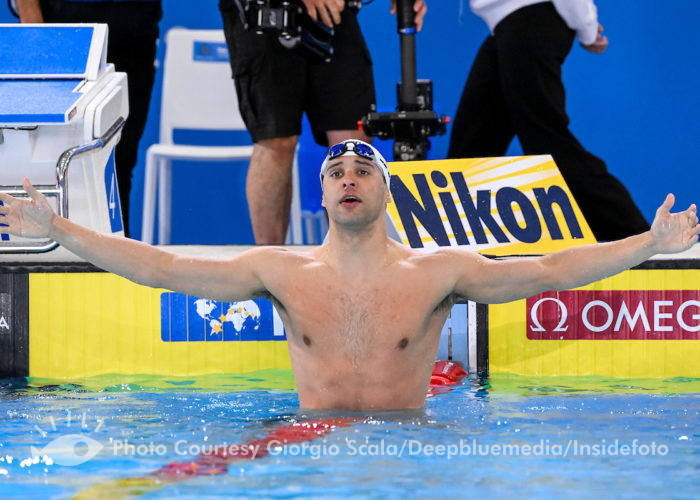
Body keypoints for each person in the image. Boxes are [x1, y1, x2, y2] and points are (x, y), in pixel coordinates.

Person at [1, 139, 697, 410]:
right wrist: (58, 230)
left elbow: (548, 268)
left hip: (415, 455)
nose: (349, 179)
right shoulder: (280, 270)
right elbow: (158, 267)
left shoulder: (437, 271)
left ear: (386, 191)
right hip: (310, 453)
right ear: (324, 196)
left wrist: (647, 244)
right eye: (336, 172)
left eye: (364, 170)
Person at [218, 0, 427, 244]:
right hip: (264, 12)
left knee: (352, 140)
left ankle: (351, 262)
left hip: (335, 12)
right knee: (276, 139)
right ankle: (269, 264)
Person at [448, 0, 649, 242]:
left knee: (548, 145)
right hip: (506, 26)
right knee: (471, 149)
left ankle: (638, 238)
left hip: (530, 19)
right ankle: (455, 249)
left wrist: (586, 25)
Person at [15, 0, 163, 238]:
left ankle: (115, 264)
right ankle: (50, 259)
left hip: (134, 31)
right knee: (52, 158)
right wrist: (33, 25)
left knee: (117, 162)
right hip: (61, 29)